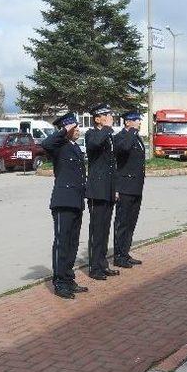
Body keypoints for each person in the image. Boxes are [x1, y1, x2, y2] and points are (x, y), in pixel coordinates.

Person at [41, 113, 88, 299]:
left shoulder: (75, 147)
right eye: (74, 128)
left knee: (73, 243)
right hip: (63, 200)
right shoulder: (58, 146)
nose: (78, 131)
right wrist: (64, 131)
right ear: (66, 129)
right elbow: (45, 144)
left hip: (76, 200)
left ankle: (68, 278)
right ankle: (59, 282)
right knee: (62, 243)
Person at [85, 103, 119, 280]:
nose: (110, 117)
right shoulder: (92, 134)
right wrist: (107, 128)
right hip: (97, 191)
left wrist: (116, 189)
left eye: (109, 114)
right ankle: (94, 267)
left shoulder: (109, 135)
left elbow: (113, 165)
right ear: (97, 118)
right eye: (106, 115)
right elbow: (95, 144)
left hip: (108, 190)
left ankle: (103, 264)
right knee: (96, 230)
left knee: (105, 229)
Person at [113, 111, 145, 268]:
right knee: (122, 223)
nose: (139, 122)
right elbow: (124, 149)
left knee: (131, 222)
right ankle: (118, 256)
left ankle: (125, 252)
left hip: (136, 187)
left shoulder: (136, 137)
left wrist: (134, 132)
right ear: (127, 122)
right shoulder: (120, 137)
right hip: (125, 187)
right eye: (136, 120)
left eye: (139, 120)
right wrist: (132, 131)